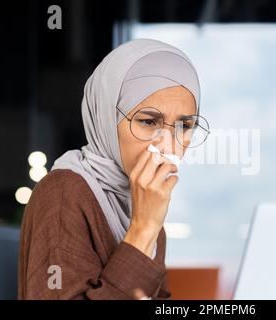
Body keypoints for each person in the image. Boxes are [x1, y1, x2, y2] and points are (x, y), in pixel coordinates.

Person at [18, 39, 209, 299]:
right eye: (149, 121)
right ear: (108, 118)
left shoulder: (141, 206)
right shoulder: (64, 192)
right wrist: (143, 230)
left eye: (184, 126)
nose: (168, 146)